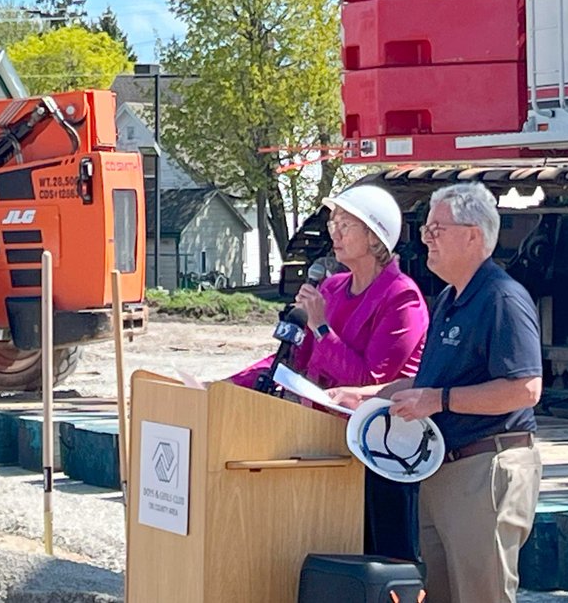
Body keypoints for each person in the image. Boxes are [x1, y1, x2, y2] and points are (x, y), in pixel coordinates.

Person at [331, 182, 543, 603]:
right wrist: (369, 397)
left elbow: (525, 388)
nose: (425, 238)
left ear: (473, 235)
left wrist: (441, 401)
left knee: (483, 594)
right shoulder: (450, 299)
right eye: (426, 228)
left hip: (485, 467)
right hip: (445, 470)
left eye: (436, 229)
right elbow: (427, 381)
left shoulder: (502, 298)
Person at [230, 183, 429, 561]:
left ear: (374, 238)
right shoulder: (333, 287)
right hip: (326, 442)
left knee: (381, 556)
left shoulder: (402, 298)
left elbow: (370, 382)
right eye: (333, 222)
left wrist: (321, 327)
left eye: (345, 224)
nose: (333, 231)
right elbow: (291, 362)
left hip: (380, 453)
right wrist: (226, 385)